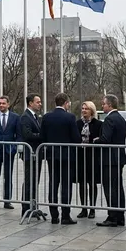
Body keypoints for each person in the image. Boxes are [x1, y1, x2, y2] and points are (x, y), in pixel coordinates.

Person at [39, 93, 82, 224]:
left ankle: (54, 215)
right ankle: (65, 215)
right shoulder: (70, 117)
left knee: (53, 184)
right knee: (66, 185)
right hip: (67, 155)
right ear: (65, 103)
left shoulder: (47, 117)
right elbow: (76, 138)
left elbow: (42, 137)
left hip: (52, 155)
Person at [94, 95, 126, 227]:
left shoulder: (109, 119)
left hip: (109, 159)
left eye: (104, 104)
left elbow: (106, 139)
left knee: (110, 188)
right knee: (118, 187)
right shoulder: (120, 118)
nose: (102, 106)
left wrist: (97, 140)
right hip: (118, 157)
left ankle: (112, 216)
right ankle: (120, 216)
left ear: (110, 105)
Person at [19, 94, 46, 219]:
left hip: (37, 154)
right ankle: (26, 207)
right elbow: (27, 134)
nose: (40, 104)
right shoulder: (25, 117)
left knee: (35, 181)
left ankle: (33, 206)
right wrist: (42, 136)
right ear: (30, 103)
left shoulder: (35, 117)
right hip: (30, 154)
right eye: (38, 102)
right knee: (30, 181)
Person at [75, 101, 102, 219]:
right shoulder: (77, 123)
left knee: (92, 183)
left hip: (92, 156)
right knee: (82, 183)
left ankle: (92, 208)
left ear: (92, 110)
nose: (84, 110)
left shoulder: (98, 124)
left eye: (86, 109)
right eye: (83, 108)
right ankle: (83, 208)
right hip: (80, 156)